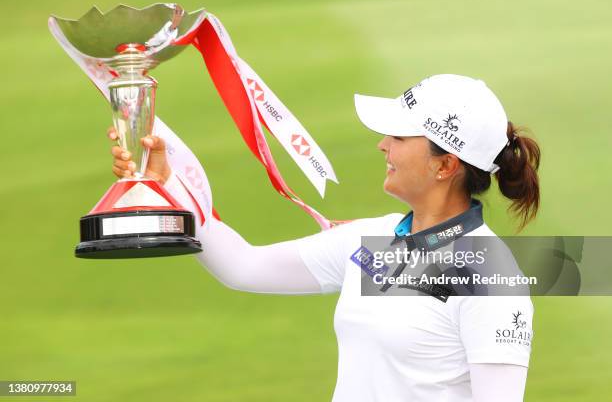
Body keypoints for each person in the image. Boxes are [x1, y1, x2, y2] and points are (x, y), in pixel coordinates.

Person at [108, 74, 541, 401]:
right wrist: (170, 186)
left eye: (400, 136)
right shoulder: (372, 240)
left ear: (445, 166)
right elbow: (243, 267)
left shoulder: (491, 278)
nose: (382, 145)